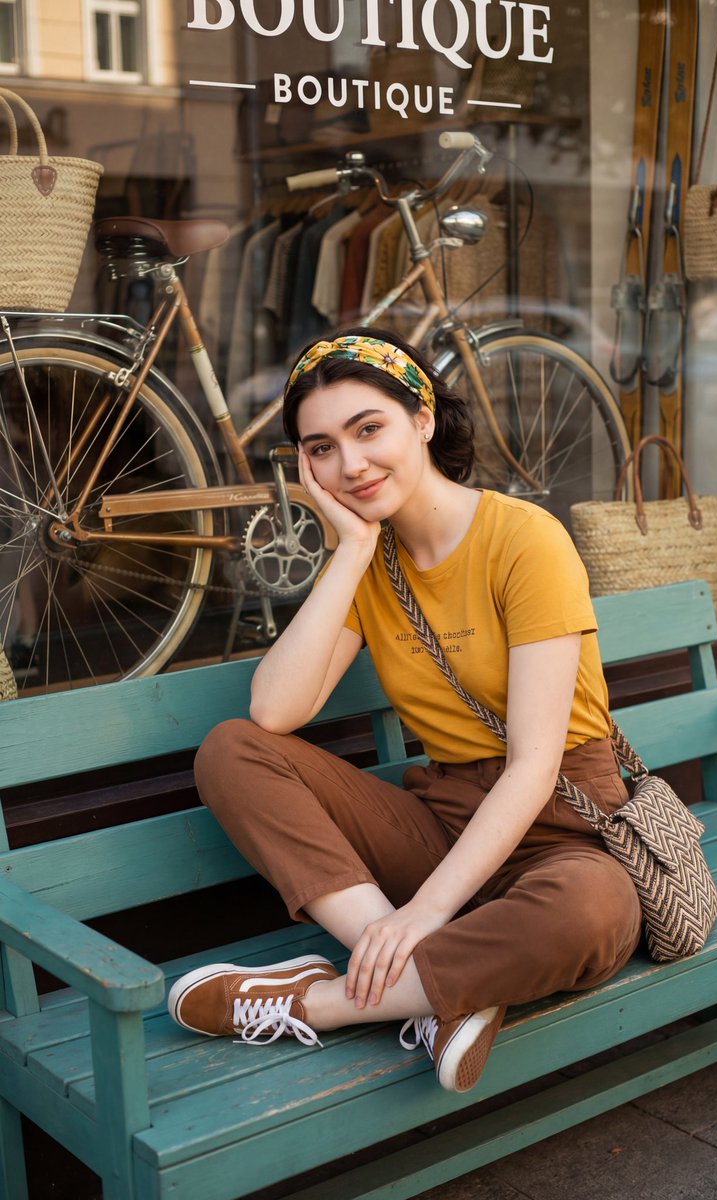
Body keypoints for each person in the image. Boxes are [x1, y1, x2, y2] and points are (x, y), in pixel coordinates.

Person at [168, 328, 642, 1093]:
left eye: (368, 429)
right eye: (320, 448)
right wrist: (350, 550)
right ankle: (423, 984)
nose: (349, 464)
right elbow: (273, 711)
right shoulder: (371, 561)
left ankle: (320, 1001)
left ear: (421, 419)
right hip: (443, 819)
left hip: (559, 826)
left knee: (592, 913)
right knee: (232, 749)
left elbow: (532, 765)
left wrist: (422, 912)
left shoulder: (524, 539)